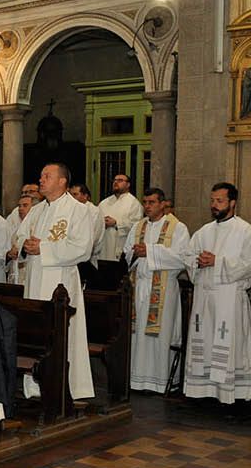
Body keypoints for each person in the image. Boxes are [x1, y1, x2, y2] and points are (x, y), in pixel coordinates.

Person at [19, 163, 94, 401]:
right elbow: (20, 235)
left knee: (62, 332)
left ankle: (65, 385)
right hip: (34, 278)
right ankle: (34, 387)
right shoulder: (37, 209)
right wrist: (24, 245)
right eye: (41, 175)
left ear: (62, 181)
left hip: (60, 282)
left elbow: (83, 248)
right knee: (36, 332)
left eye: (47, 176)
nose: (41, 180)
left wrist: (44, 248)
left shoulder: (78, 210)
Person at [182, 183, 251, 403]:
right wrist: (197, 262)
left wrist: (217, 262)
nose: (214, 205)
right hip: (204, 296)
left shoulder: (245, 231)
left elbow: (248, 264)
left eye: (219, 201)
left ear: (232, 203)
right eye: (212, 200)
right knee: (204, 340)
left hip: (229, 299)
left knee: (227, 342)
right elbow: (188, 255)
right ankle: (203, 391)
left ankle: (231, 393)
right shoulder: (204, 231)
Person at [124, 188, 190, 394]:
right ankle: (137, 380)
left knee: (159, 336)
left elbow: (183, 258)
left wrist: (150, 251)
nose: (148, 206)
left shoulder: (177, 228)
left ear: (163, 204)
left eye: (152, 202)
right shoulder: (138, 226)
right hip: (140, 286)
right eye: (145, 202)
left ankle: (159, 383)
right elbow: (126, 253)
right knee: (138, 335)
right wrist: (135, 254)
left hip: (164, 288)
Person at [97, 173, 142, 263]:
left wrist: (116, 223)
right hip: (103, 249)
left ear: (128, 184)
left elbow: (137, 227)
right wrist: (102, 223)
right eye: (114, 180)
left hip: (120, 249)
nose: (116, 182)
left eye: (120, 180)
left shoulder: (134, 203)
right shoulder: (104, 203)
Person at [69, 183, 105, 272]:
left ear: (85, 196)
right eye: (70, 194)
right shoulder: (70, 210)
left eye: (75, 194)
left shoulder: (94, 211)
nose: (71, 198)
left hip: (86, 258)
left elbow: (94, 237)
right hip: (70, 256)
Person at [7, 194, 37, 285]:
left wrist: (20, 248)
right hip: (15, 273)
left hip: (30, 274)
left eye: (25, 205)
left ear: (35, 208)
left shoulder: (36, 227)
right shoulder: (16, 228)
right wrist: (9, 253)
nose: (20, 209)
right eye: (19, 206)